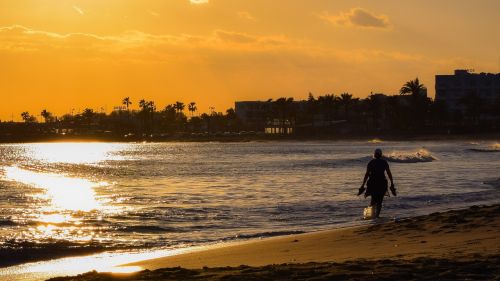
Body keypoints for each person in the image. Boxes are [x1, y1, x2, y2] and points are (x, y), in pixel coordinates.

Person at [358, 148, 396, 218]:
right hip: (382, 183)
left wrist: (362, 185)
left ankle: (370, 215)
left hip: (373, 183)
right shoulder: (384, 162)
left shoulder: (371, 163)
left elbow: (366, 175)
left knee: (373, 200)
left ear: (375, 155)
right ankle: (376, 216)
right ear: (381, 155)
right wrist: (392, 183)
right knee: (380, 201)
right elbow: (389, 173)